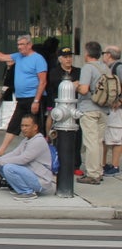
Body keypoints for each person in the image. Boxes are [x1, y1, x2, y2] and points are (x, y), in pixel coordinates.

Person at [0, 35, 48, 157]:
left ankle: (40, 153)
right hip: (21, 98)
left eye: (22, 44)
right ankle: (1, 151)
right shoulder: (18, 57)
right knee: (14, 124)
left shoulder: (38, 59)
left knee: (35, 127)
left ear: (29, 45)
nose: (19, 47)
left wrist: (36, 100)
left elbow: (43, 81)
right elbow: (2, 57)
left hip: (33, 98)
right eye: (18, 45)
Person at [0, 115, 55, 200]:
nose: (23, 128)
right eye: (22, 126)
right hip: (31, 173)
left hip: (40, 180)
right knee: (2, 166)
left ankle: (27, 192)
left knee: (8, 168)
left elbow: (23, 159)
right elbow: (14, 153)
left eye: (27, 126)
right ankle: (17, 186)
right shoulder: (27, 140)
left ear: (35, 127)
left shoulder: (38, 141)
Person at [75, 41, 111, 185]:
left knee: (90, 143)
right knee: (98, 142)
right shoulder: (105, 68)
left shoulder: (88, 68)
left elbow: (84, 90)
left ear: (88, 53)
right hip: (104, 109)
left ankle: (92, 173)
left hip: (89, 108)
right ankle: (99, 171)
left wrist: (76, 86)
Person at [44, 46, 82, 175]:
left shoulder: (78, 71)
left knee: (77, 137)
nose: (68, 59)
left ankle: (76, 164)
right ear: (60, 59)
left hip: (74, 109)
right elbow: (55, 87)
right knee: (58, 137)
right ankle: (57, 162)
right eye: (65, 57)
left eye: (70, 57)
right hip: (58, 108)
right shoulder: (54, 72)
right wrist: (73, 85)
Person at [102, 46, 122, 177]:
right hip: (110, 107)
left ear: (108, 55)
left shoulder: (118, 67)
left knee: (116, 137)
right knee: (107, 136)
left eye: (104, 53)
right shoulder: (112, 67)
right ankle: (105, 164)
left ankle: (115, 166)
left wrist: (120, 101)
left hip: (117, 109)